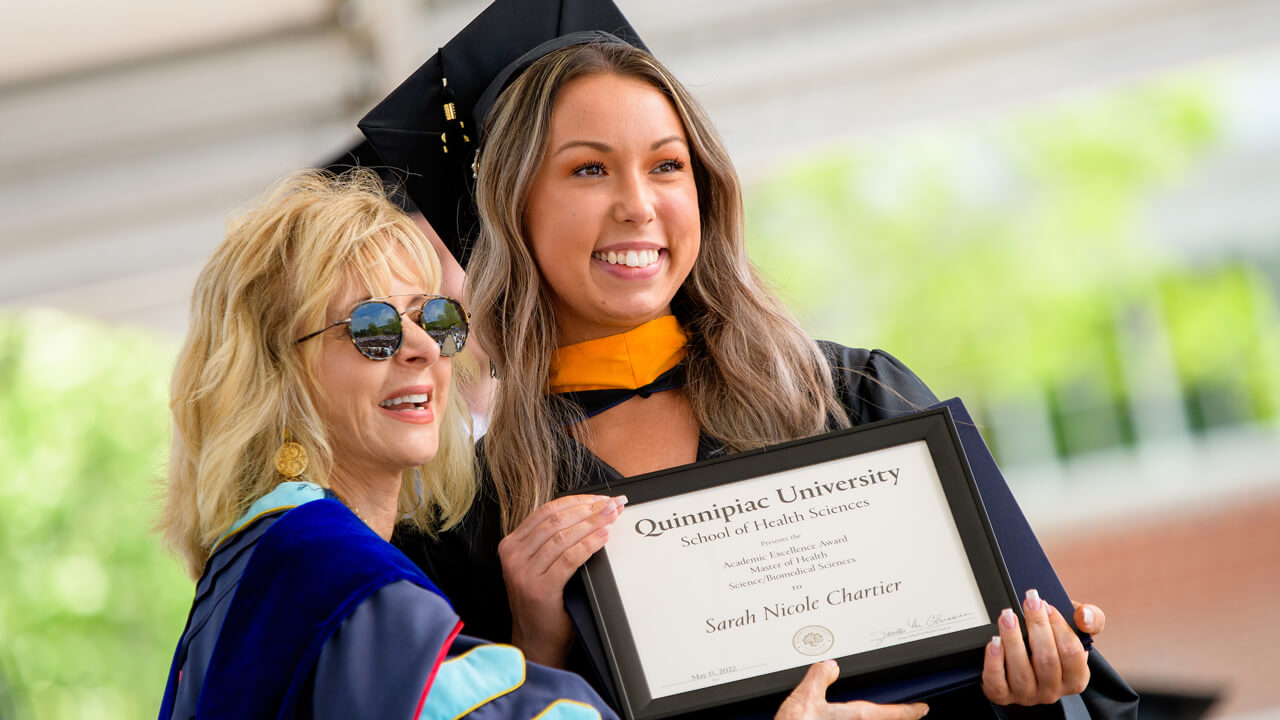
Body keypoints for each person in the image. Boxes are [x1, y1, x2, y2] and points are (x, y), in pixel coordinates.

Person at [361, 1, 1139, 717]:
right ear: (511, 208)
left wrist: (1037, 696)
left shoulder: (852, 395)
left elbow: (1076, 696)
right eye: (589, 169)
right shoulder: (471, 521)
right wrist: (537, 645)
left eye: (667, 165)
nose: (640, 204)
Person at [154, 169, 617, 719]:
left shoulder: (253, 569)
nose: (423, 346)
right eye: (372, 328)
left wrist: (535, 643)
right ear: (275, 374)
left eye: (434, 316)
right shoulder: (329, 568)